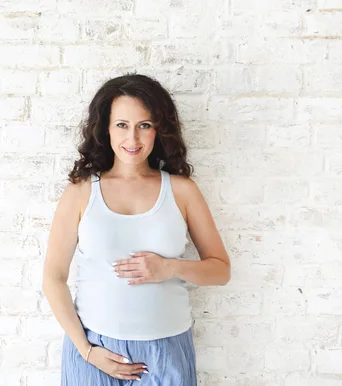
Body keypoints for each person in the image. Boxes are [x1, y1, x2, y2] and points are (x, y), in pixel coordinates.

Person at [42, 73, 231, 385]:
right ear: (106, 128)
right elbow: (53, 278)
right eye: (122, 125)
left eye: (144, 125)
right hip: (94, 351)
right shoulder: (80, 191)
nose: (133, 138)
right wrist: (86, 350)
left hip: (166, 350)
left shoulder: (182, 191)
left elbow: (221, 270)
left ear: (158, 129)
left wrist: (169, 268)